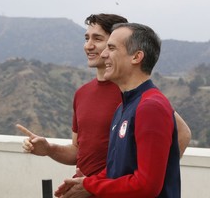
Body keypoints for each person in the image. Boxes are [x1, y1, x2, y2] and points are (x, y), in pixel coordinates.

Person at [17, 14, 191, 178]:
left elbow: (182, 133)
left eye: (98, 39)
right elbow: (79, 152)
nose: (88, 45)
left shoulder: (131, 93)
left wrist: (154, 177)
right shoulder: (82, 93)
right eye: (87, 38)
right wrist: (49, 148)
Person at [55, 23, 181, 198]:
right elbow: (115, 169)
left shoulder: (151, 107)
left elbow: (146, 186)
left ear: (136, 57)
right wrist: (85, 183)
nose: (104, 54)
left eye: (112, 48)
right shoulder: (123, 107)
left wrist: (92, 186)